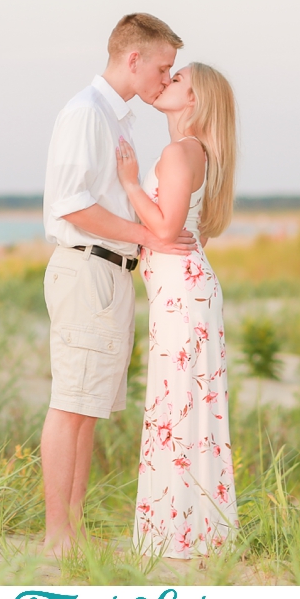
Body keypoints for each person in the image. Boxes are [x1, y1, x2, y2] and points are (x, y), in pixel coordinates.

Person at [40, 13, 197, 556]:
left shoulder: (118, 121)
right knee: (70, 404)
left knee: (88, 408)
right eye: (163, 66)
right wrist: (148, 236)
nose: (165, 78)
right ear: (134, 59)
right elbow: (72, 204)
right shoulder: (87, 113)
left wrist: (143, 240)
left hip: (110, 272)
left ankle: (74, 532)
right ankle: (57, 538)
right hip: (87, 267)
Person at [116, 62, 239, 559]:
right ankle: (189, 530)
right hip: (183, 292)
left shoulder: (180, 151)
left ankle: (179, 535)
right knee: (183, 408)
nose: (167, 82)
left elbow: (167, 232)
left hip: (182, 296)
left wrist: (128, 184)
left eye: (178, 79)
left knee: (178, 408)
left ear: (194, 100)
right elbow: (191, 230)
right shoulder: (194, 153)